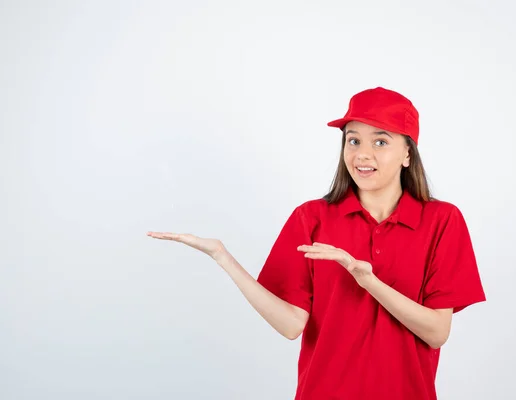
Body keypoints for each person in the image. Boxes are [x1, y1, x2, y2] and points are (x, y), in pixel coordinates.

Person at [147, 86, 486, 399]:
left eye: (380, 142)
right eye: (353, 141)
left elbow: (437, 332)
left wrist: (368, 281)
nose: (362, 154)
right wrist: (223, 257)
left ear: (407, 154)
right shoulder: (312, 218)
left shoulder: (442, 221)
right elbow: (291, 324)